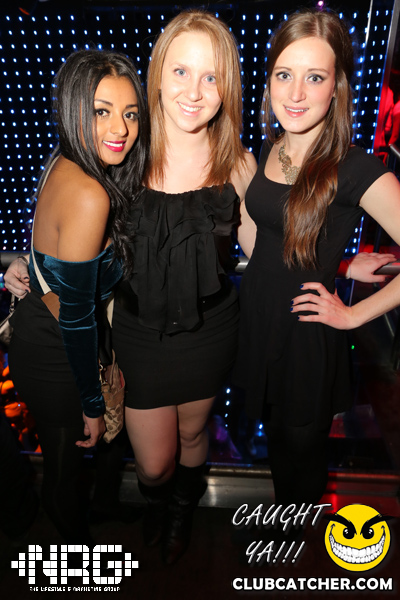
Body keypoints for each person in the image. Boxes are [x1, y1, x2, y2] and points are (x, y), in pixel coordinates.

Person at [235, 8, 400, 516]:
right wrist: (341, 266)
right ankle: (285, 526)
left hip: (305, 335)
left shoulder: (356, 169)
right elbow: (269, 243)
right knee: (275, 447)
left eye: (314, 77)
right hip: (258, 321)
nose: (296, 93)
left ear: (337, 87)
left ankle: (296, 539)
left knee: (300, 459)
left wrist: (353, 314)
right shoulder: (271, 150)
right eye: (284, 75)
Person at [111, 10, 257, 565]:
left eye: (210, 76)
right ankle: (158, 499)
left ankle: (180, 511)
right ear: (157, 74)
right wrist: (30, 266)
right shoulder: (123, 153)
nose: (194, 92)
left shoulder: (238, 164)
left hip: (210, 331)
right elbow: (76, 233)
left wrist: (341, 265)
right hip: (140, 333)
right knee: (153, 464)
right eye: (180, 71)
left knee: (194, 439)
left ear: (227, 86)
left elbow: (268, 255)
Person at [6, 48, 149, 545]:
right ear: (72, 109)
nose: (120, 129)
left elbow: (56, 251)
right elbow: (75, 319)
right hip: (54, 352)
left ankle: (103, 507)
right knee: (64, 471)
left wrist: (25, 265)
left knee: (98, 450)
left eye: (130, 113)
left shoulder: (63, 161)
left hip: (55, 334)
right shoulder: (91, 193)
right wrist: (91, 401)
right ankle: (75, 560)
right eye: (101, 111)